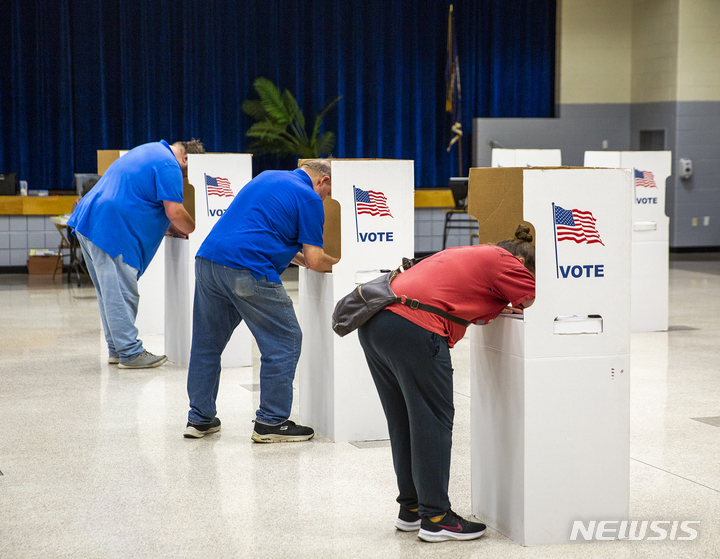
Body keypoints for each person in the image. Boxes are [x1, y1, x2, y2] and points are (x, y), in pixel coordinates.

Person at [357, 225, 536, 543]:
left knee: (405, 422)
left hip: (375, 322)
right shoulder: (507, 261)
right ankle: (436, 517)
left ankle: (411, 510)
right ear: (523, 261)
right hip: (414, 327)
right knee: (432, 423)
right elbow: (534, 299)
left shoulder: (470, 253)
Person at [184, 159, 340, 442]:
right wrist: (340, 265)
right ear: (324, 181)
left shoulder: (268, 177)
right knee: (285, 340)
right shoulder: (309, 198)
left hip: (208, 261)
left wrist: (298, 257)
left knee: (207, 344)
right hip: (246, 268)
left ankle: (200, 419)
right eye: (328, 192)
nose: (326, 198)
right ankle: (271, 421)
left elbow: (263, 229)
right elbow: (318, 261)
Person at [68, 139, 202, 368]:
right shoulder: (170, 165)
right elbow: (175, 210)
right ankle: (130, 353)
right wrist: (195, 230)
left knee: (109, 293)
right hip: (111, 229)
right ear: (187, 158)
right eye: (187, 172)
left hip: (90, 221)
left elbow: (143, 199)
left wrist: (171, 229)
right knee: (122, 293)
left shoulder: (149, 151)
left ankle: (117, 349)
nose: (185, 176)